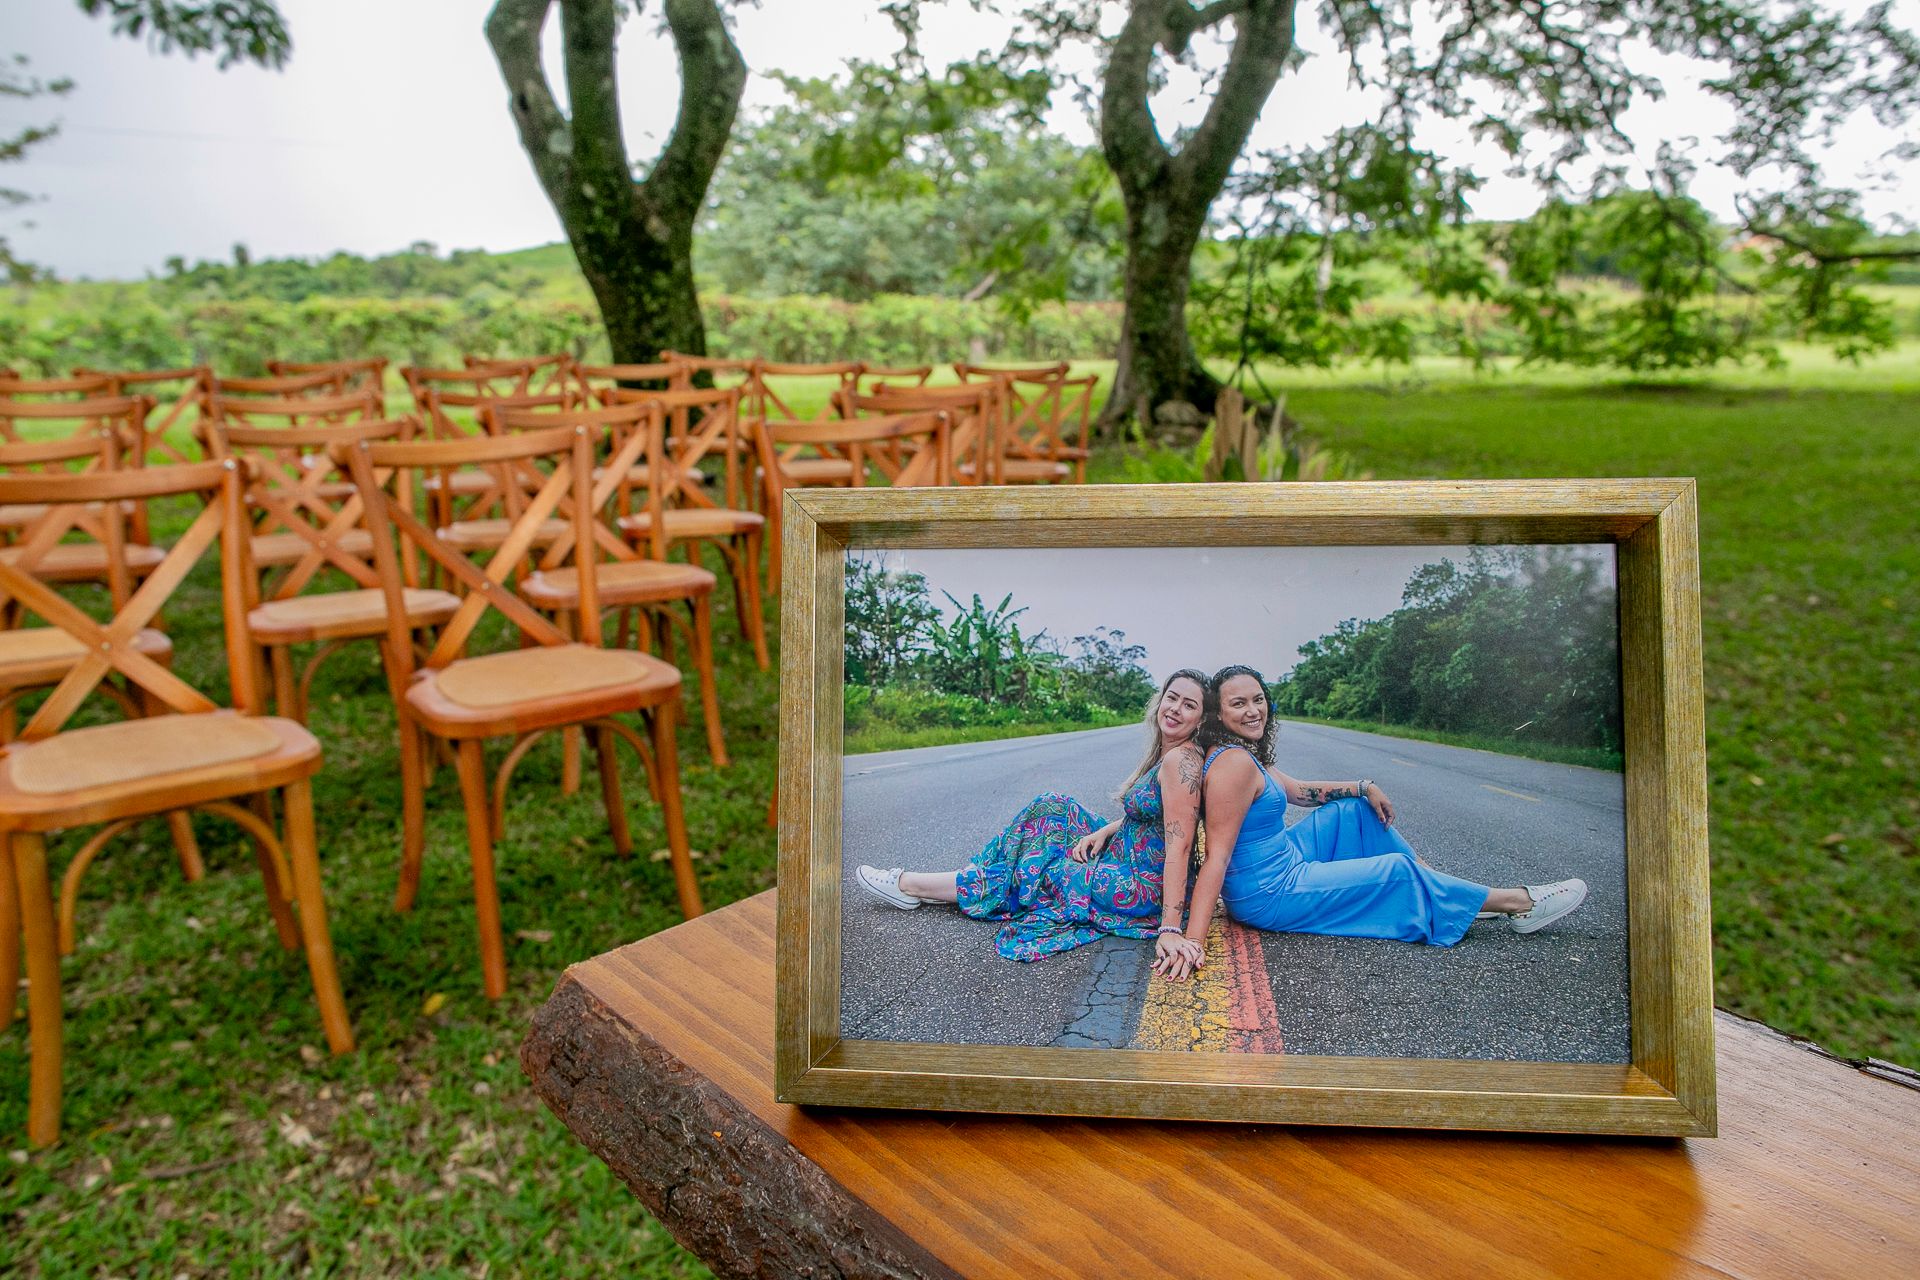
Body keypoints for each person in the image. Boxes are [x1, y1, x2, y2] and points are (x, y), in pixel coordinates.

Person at [1159, 664, 1588, 981]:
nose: (1254, 711)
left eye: (1258, 699)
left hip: (1284, 858)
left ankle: (1446, 890)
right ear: (1219, 714)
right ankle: (1519, 904)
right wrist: (1192, 939)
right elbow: (1217, 857)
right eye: (1238, 704)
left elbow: (1301, 791)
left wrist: (1362, 787)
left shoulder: (1244, 754)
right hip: (1270, 891)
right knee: (1396, 872)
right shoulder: (1233, 765)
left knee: (1353, 812)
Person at [854, 670, 1210, 972]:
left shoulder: (1181, 761)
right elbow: (1154, 815)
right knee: (1051, 807)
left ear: (1201, 719)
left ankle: (913, 886)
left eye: (1189, 705)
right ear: (1160, 700)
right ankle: (970, 879)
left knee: (1042, 868)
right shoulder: (1168, 752)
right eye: (1172, 698)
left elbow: (1179, 845)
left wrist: (1169, 928)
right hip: (1125, 850)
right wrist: (1104, 831)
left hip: (1139, 884)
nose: (1175, 709)